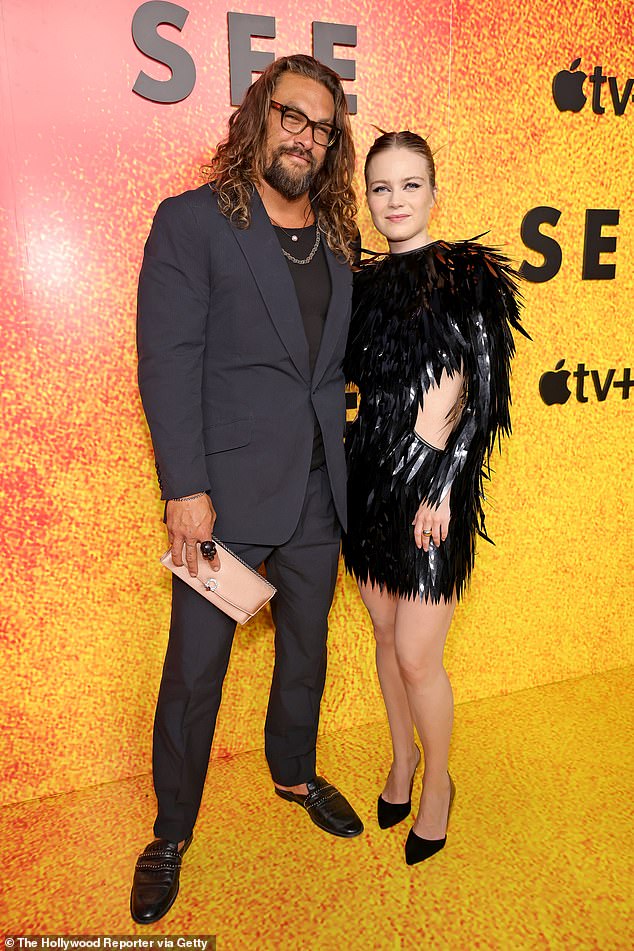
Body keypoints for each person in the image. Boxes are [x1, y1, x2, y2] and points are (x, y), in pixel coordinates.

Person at [131, 54, 363, 925]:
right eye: (293, 118)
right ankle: (171, 831)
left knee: (306, 648)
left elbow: (342, 363)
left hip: (317, 491)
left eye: (324, 128)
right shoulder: (194, 223)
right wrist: (185, 488)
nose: (307, 138)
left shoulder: (338, 238)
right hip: (221, 498)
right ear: (259, 118)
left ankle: (294, 772)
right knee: (195, 670)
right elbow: (169, 359)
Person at [342, 131, 528, 866]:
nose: (395, 201)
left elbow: (485, 395)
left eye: (410, 185)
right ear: (368, 195)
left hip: (432, 491)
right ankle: (401, 760)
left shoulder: (468, 275)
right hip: (368, 486)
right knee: (385, 640)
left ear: (433, 189)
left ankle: (439, 784)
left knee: (419, 654)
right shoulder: (356, 285)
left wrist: (444, 485)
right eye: (382, 187)